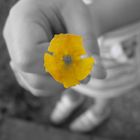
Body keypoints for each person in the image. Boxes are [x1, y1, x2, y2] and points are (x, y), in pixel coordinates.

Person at [3, 0, 140, 132]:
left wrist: (90, 19)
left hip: (119, 44)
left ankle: (100, 111)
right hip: (69, 21)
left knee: (105, 85)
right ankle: (73, 98)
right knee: (72, 83)